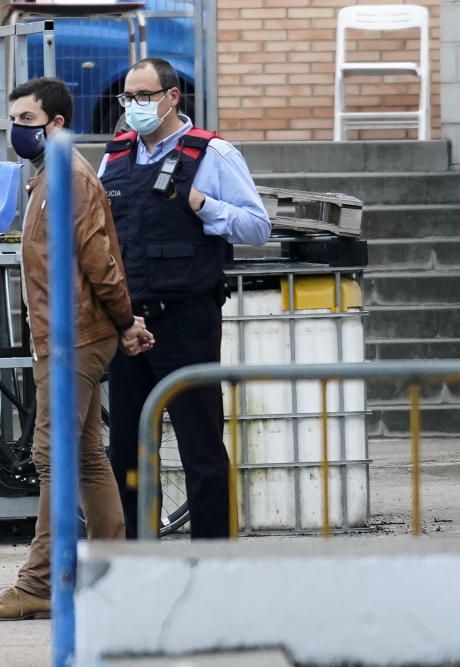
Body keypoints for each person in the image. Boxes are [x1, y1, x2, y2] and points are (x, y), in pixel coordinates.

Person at [0, 77, 153, 622]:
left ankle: (41, 583)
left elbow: (101, 262)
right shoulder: (48, 178)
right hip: (68, 334)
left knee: (53, 460)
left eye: (26, 120)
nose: (15, 130)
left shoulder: (69, 178)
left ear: (56, 125)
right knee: (89, 458)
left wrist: (125, 320)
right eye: (13, 120)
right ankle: (114, 577)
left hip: (74, 337)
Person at [99, 58, 271, 540]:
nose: (134, 106)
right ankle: (134, 556)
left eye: (144, 96)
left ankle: (213, 560)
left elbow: (257, 227)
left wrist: (203, 204)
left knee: (200, 448)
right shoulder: (116, 155)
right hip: (128, 324)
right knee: (128, 450)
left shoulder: (212, 154)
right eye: (127, 98)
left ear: (172, 97)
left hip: (186, 322)